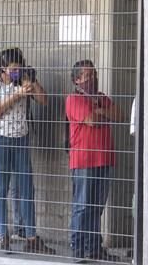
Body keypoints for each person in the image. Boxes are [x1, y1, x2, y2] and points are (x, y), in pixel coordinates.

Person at [0, 48, 54, 254]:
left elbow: (44, 100)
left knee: (25, 187)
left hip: (21, 138)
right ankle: (1, 232)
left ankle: (31, 236)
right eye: (13, 69)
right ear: (3, 68)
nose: (16, 72)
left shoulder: (23, 80)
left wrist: (32, 82)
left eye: (19, 68)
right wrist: (16, 95)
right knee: (1, 185)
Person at [66, 60, 123, 262]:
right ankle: (78, 249)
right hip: (84, 161)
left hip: (104, 159)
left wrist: (102, 112)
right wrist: (100, 114)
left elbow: (119, 115)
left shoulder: (101, 98)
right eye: (87, 76)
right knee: (82, 205)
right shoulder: (74, 98)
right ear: (77, 80)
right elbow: (92, 120)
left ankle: (94, 247)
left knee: (97, 207)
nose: (93, 79)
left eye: (94, 74)